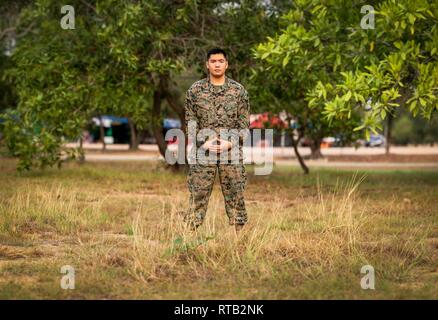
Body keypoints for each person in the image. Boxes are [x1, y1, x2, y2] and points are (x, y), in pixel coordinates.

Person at [184, 47, 250, 232]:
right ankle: (189, 236)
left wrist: (231, 142)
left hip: (231, 152)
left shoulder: (239, 91)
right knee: (198, 194)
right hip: (203, 151)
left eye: (221, 61)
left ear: (227, 64)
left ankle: (240, 238)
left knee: (236, 194)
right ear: (207, 64)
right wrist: (203, 142)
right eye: (213, 61)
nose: (217, 64)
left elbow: (244, 125)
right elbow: (190, 121)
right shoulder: (195, 91)